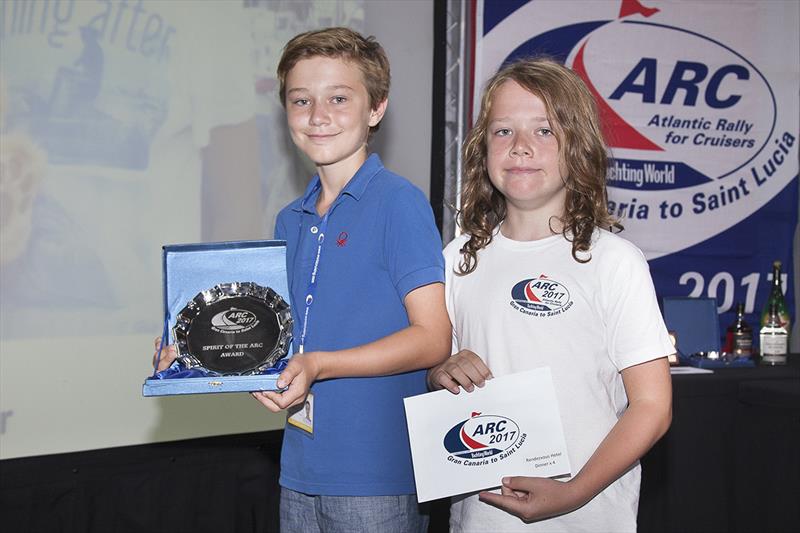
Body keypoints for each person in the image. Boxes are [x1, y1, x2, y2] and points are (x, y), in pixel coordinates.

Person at [156, 27, 450, 533]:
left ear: (376, 108)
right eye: (301, 100)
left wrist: (319, 365)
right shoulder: (289, 219)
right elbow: (276, 341)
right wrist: (192, 355)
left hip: (375, 473)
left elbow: (432, 337)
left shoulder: (397, 202)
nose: (318, 116)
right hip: (299, 465)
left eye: (339, 98)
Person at [426, 58, 674, 532]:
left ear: (578, 146)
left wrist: (573, 491)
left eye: (544, 131)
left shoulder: (614, 261)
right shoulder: (456, 259)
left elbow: (653, 406)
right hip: (483, 519)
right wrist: (441, 370)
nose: (520, 147)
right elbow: (438, 372)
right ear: (482, 150)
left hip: (589, 515)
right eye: (503, 132)